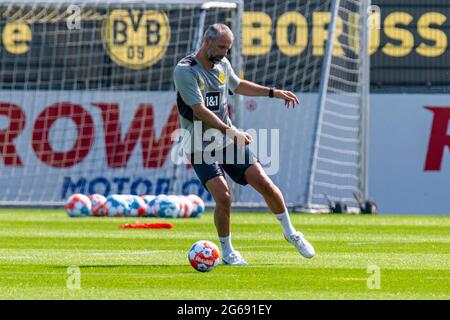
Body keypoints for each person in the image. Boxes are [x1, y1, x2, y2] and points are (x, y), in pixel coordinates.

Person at [173, 23, 315, 265]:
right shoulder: (186, 71)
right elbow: (200, 110)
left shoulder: (222, 64)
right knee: (224, 197)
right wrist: (231, 131)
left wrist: (273, 92)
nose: (224, 54)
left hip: (227, 139)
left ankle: (292, 233)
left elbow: (237, 86)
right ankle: (227, 252)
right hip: (199, 143)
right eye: (221, 47)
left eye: (227, 48)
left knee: (264, 183)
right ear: (207, 42)